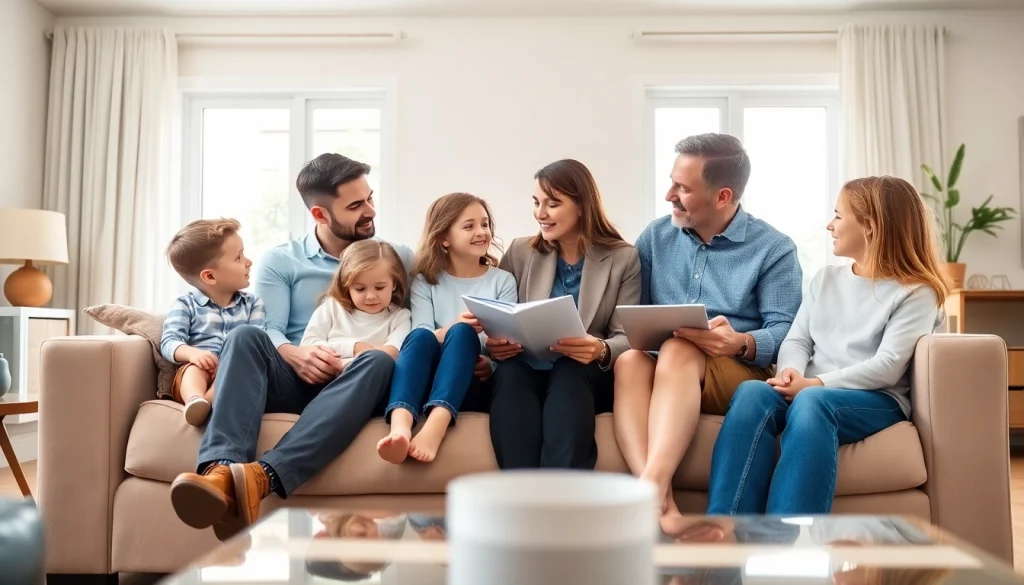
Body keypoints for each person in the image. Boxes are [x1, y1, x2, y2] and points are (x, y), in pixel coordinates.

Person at [168, 153, 414, 541]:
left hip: (358, 384)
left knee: (380, 361)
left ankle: (262, 476)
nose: (369, 211)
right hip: (297, 377)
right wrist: (294, 354)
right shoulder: (282, 261)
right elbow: (271, 329)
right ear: (320, 214)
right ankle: (218, 475)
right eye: (355, 206)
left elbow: (419, 329)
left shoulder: (396, 257)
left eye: (369, 198)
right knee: (244, 336)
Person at [707, 175, 947, 516]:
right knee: (751, 393)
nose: (829, 225)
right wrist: (791, 373)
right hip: (811, 388)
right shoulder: (826, 279)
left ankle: (790, 540)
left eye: (838, 215)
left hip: (876, 398)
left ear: (870, 227)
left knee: (812, 403)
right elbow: (798, 339)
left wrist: (815, 384)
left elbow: (889, 365)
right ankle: (725, 531)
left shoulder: (915, 291)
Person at [612, 133, 802, 528]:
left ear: (722, 196)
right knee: (630, 361)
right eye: (671, 182)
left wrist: (741, 342)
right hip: (665, 364)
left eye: (682, 188)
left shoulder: (774, 248)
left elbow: (789, 329)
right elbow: (635, 310)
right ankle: (660, 501)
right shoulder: (655, 236)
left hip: (733, 369)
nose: (669, 195)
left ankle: (649, 486)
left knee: (679, 350)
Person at [486, 159, 640, 469]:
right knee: (510, 373)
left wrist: (601, 348)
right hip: (526, 368)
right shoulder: (520, 252)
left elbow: (628, 337)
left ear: (582, 206)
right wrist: (493, 344)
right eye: (536, 203)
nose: (540, 213)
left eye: (552, 204)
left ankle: (562, 492)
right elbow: (495, 315)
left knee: (570, 371)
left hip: (583, 375)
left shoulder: (624, 258)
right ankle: (521, 495)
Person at [377, 193, 516, 464]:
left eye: (485, 224)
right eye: (469, 226)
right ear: (444, 238)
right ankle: (400, 427)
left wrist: (491, 363)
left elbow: (506, 341)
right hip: (428, 381)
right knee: (420, 335)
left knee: (464, 334)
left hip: (470, 384)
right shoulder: (426, 282)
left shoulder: (503, 282)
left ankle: (436, 425)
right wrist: (454, 327)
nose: (481, 232)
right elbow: (423, 336)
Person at [159, 218, 266, 426]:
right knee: (192, 370)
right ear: (209, 276)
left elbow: (258, 342)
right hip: (199, 369)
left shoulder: (253, 304)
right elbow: (169, 341)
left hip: (236, 371)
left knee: (234, 375)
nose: (248, 261)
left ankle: (208, 403)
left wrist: (229, 364)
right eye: (238, 258)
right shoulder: (185, 305)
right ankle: (195, 401)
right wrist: (194, 354)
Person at [299, 240, 412, 365]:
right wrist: (355, 347)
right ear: (347, 286)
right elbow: (308, 344)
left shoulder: (400, 317)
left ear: (394, 284)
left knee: (380, 361)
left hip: (368, 376)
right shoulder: (332, 307)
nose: (370, 296)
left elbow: (393, 353)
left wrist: (344, 364)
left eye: (379, 287)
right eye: (360, 289)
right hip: (324, 378)